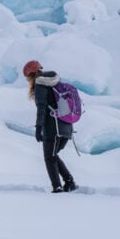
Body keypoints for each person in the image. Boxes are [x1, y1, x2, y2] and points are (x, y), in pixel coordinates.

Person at [22, 60, 77, 193]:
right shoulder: (55, 82)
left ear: (32, 75)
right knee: (52, 156)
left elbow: (42, 108)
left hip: (53, 127)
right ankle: (69, 182)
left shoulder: (40, 85)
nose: (28, 81)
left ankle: (57, 187)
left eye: (28, 77)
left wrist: (39, 127)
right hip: (66, 125)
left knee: (49, 157)